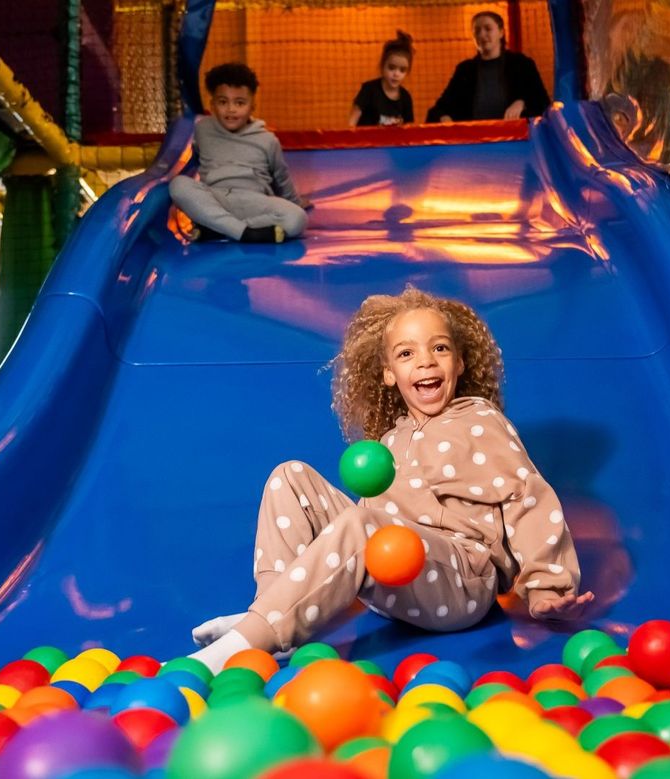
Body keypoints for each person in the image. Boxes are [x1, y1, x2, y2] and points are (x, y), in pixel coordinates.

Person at [189, 286, 593, 672]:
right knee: (289, 477)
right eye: (406, 353)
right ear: (387, 374)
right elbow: (374, 515)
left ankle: (240, 645)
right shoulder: (390, 439)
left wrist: (546, 588)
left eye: (440, 348)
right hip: (391, 571)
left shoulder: (479, 420)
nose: (426, 362)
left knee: (365, 528)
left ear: (461, 362)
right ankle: (272, 619)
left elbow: (528, 498)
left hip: (459, 581)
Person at [169, 63, 309, 243]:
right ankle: (248, 233)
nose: (231, 109)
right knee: (178, 185)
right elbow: (189, 159)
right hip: (216, 198)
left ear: (252, 106)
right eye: (222, 102)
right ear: (212, 105)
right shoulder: (202, 130)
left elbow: (281, 177)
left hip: (254, 201)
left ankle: (219, 229)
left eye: (240, 103)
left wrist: (295, 202)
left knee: (297, 218)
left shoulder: (267, 139)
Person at [426, 11, 550, 123]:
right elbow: (439, 108)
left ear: (501, 32)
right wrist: (443, 116)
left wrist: (522, 103)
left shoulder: (522, 64)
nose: (482, 34)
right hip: (475, 139)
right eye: (477, 31)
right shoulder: (465, 70)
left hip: (514, 139)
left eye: (488, 29)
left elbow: (542, 103)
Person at [349, 31, 416, 127]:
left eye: (402, 70)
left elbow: (409, 128)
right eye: (391, 68)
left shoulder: (406, 98)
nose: (396, 74)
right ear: (382, 66)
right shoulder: (369, 90)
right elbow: (352, 120)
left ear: (407, 71)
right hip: (366, 141)